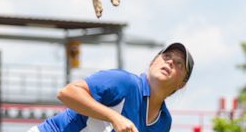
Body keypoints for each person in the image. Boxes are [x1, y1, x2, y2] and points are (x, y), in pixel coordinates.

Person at [29, 42, 194, 132]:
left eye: (179, 63)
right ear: (152, 63)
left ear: (183, 83)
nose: (170, 61)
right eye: (166, 56)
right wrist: (115, 117)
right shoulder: (124, 82)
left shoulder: (164, 122)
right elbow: (67, 93)